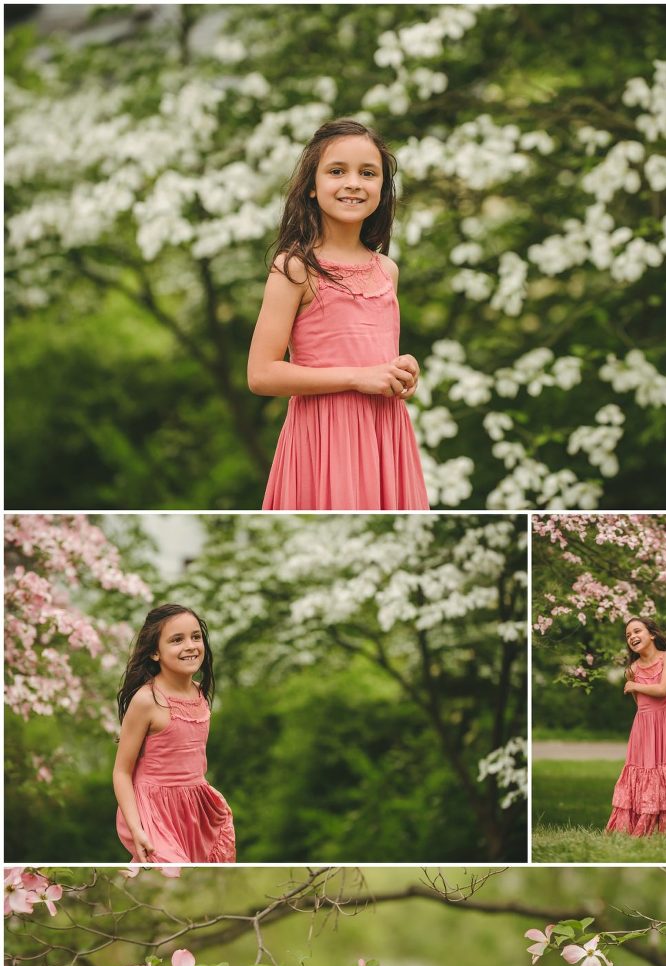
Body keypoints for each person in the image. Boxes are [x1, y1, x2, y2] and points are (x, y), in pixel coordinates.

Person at [247, 118, 430, 511]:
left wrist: (401, 372)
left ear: (382, 188)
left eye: (368, 173)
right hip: (325, 437)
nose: (353, 183)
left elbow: (375, 361)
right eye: (336, 171)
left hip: (385, 435)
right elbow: (261, 374)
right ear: (312, 186)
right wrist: (357, 378)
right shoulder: (295, 268)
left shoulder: (388, 271)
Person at [113, 604, 236, 864]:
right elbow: (122, 771)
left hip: (194, 809)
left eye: (195, 637)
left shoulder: (200, 694)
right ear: (156, 652)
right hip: (153, 810)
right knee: (167, 866)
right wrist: (136, 829)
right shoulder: (147, 701)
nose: (190, 646)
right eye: (176, 640)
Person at [606, 616, 666, 836]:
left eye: (637, 631)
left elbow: (663, 690)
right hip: (645, 725)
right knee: (645, 771)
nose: (632, 637)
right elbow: (642, 705)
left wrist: (634, 684)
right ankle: (638, 825)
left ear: (652, 634)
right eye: (628, 635)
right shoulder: (632, 669)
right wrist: (633, 681)